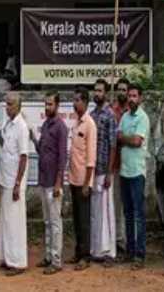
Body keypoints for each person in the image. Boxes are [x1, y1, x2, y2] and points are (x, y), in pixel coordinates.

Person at [32, 91, 67, 275]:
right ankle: (47, 256)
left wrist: (58, 183)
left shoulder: (60, 127)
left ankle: (56, 260)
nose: (47, 107)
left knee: (55, 223)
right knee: (47, 222)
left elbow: (62, 157)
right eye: (45, 104)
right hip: (44, 180)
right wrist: (33, 138)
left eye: (50, 104)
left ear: (57, 105)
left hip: (54, 182)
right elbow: (42, 150)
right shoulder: (46, 125)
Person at [0, 92, 30, 275]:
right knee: (6, 222)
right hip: (5, 179)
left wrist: (18, 183)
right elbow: (6, 148)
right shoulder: (8, 124)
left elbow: (23, 157)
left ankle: (17, 262)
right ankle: (8, 258)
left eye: (10, 104)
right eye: (6, 104)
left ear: (18, 106)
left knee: (15, 224)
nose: (7, 107)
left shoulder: (21, 127)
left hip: (14, 183)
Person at [117, 84, 149, 270]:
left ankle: (140, 254)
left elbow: (137, 142)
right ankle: (130, 252)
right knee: (128, 214)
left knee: (138, 215)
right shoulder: (124, 116)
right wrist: (127, 138)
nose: (131, 99)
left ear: (140, 98)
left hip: (137, 172)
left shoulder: (143, 118)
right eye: (129, 95)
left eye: (134, 96)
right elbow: (118, 137)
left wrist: (126, 138)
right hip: (124, 172)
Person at [68, 87, 97, 271]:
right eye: (74, 100)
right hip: (73, 178)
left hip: (83, 181)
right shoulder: (76, 123)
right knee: (77, 219)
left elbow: (91, 158)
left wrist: (87, 183)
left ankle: (85, 257)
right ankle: (78, 252)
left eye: (78, 100)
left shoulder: (89, 124)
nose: (75, 103)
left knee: (84, 220)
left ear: (85, 102)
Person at [90, 79, 118, 266]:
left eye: (100, 91)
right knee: (95, 212)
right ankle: (97, 250)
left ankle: (110, 253)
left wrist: (109, 172)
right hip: (93, 169)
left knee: (107, 211)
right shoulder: (92, 115)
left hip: (105, 170)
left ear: (106, 93)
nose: (97, 93)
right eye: (95, 90)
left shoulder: (110, 115)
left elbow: (113, 145)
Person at [113, 77, 130, 255]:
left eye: (124, 90)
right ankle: (118, 240)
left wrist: (122, 138)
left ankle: (128, 240)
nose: (122, 92)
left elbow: (135, 139)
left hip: (131, 166)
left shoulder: (132, 112)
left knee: (129, 205)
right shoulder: (113, 111)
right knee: (116, 204)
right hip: (116, 165)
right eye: (119, 89)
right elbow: (113, 138)